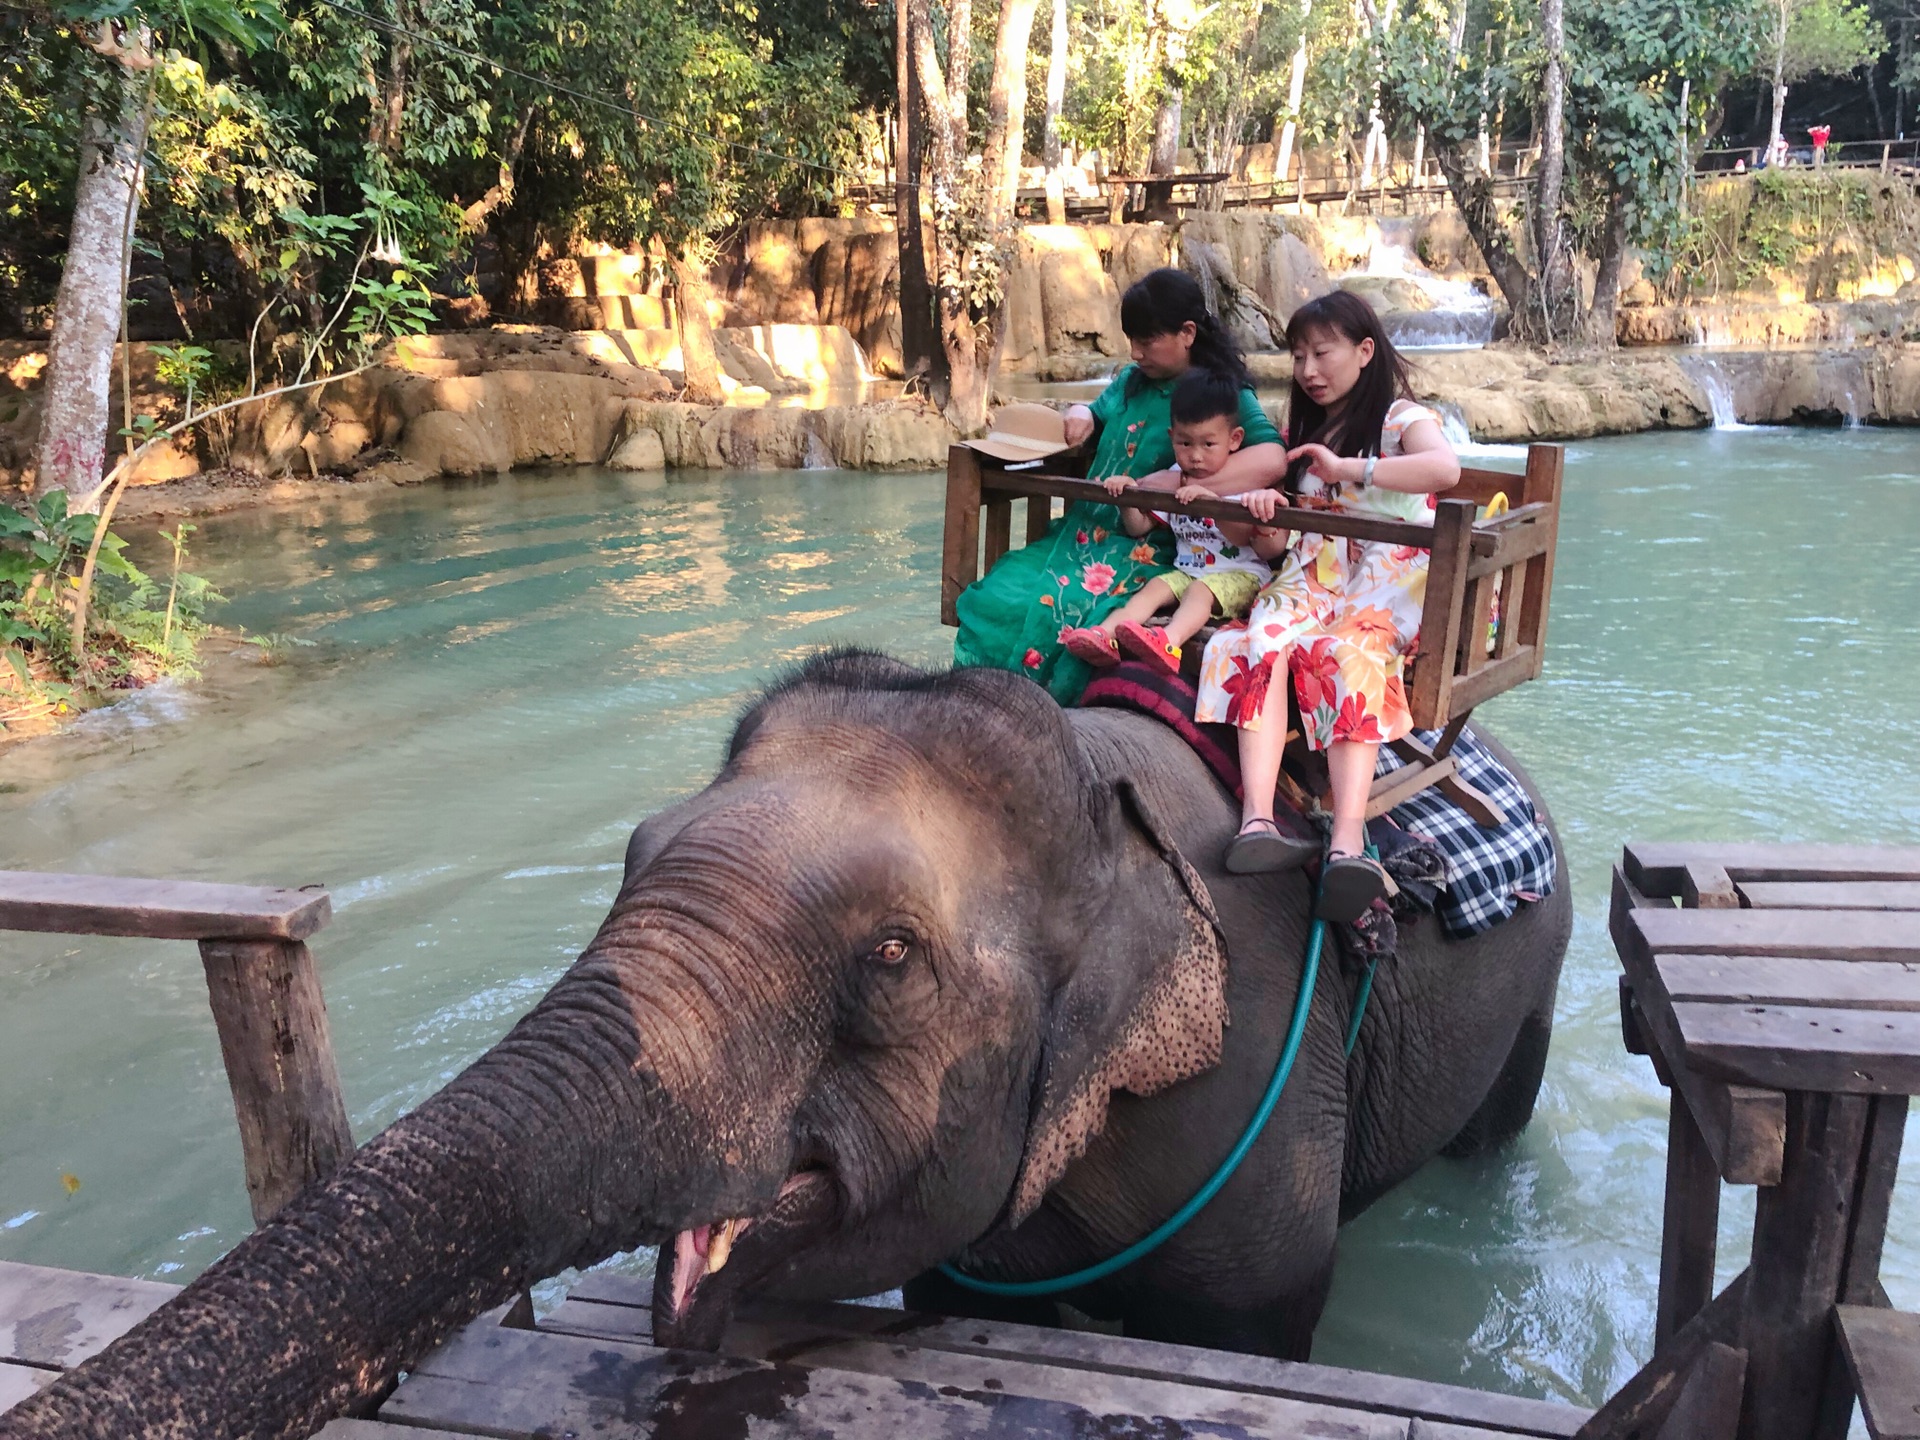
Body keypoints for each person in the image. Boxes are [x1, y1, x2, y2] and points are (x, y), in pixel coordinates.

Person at [1192, 290, 1460, 918]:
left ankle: (1347, 842)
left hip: (1387, 575)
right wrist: (1264, 517)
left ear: (1365, 351)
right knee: (1255, 640)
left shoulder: (1400, 418)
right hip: (1314, 572)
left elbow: (1443, 470)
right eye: (1298, 355)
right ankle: (1256, 821)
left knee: (1343, 653)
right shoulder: (1303, 433)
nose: (1308, 369)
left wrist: (1351, 468)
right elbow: (1282, 538)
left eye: (1322, 352)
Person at [952, 268, 1289, 702]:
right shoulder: (1132, 381)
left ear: (1187, 333)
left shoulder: (1220, 393)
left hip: (1150, 543)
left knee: (1060, 605)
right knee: (1000, 591)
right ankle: (977, 704)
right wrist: (1081, 413)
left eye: (1147, 341)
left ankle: (1040, 710)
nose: (1135, 352)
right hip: (1082, 531)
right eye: (1132, 339)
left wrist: (1175, 484)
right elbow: (1097, 409)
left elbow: (1272, 457)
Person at [1058, 368, 1283, 674]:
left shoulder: (1243, 483)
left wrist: (1212, 505)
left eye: (1208, 444)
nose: (1195, 456)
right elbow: (1139, 528)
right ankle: (1104, 635)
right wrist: (1128, 497)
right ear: (1171, 438)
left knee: (1200, 593)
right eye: (1185, 443)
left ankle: (1169, 641)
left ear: (1235, 439)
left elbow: (1245, 539)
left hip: (1242, 576)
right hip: (1187, 572)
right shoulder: (1173, 479)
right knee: (1154, 587)